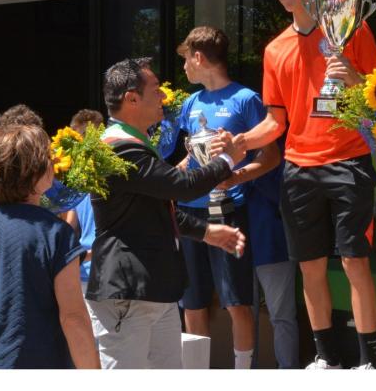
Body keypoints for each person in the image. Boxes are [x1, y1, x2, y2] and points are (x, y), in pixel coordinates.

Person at [231, 0, 376, 369]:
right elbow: (275, 121)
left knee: (354, 261)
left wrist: (352, 77)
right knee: (310, 267)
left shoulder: (354, 28)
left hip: (349, 158)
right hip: (298, 167)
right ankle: (327, 358)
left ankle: (370, 362)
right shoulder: (275, 49)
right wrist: (241, 141)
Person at [85, 57, 247, 369]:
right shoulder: (117, 148)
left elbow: (155, 208)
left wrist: (206, 232)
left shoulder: (135, 145)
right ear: (132, 98)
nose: (164, 97)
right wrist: (227, 159)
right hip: (128, 291)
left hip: (153, 289)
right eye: (156, 90)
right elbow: (182, 187)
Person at [0, 123, 100, 369]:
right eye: (47, 158)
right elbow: (74, 317)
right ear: (34, 172)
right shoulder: (56, 233)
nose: (53, 165)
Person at [176, 26, 273, 369]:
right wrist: (173, 178)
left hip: (228, 210)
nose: (184, 67)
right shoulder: (190, 102)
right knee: (192, 302)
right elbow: (189, 155)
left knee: (236, 302)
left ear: (199, 58)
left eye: (186, 59)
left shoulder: (245, 99)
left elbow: (270, 156)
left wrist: (236, 177)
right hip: (189, 213)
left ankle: (242, 372)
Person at [219, 134, 300, 369]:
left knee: (281, 316)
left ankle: (287, 370)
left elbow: (285, 196)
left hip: (273, 245)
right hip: (239, 245)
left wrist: (249, 173)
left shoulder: (284, 151)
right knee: (244, 313)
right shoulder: (231, 155)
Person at [63, 109, 105, 295]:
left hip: (104, 272)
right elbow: (69, 224)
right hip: (86, 272)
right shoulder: (77, 180)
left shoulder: (107, 177)